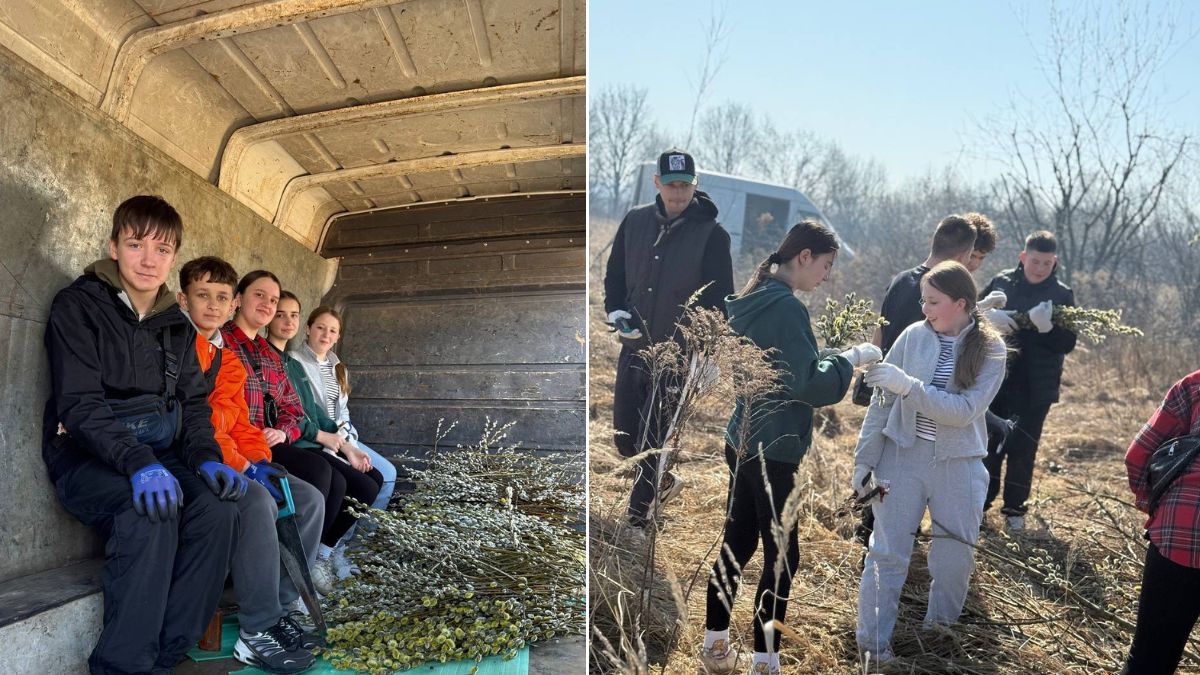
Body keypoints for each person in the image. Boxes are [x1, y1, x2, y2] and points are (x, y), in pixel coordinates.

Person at [41, 195, 245, 674]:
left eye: (163, 249)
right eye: (136, 245)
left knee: (218, 511)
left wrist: (205, 457)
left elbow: (193, 406)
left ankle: (166, 656)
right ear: (114, 247)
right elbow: (80, 406)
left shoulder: (176, 325)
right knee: (150, 510)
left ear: (174, 257)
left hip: (160, 455)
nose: (149, 260)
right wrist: (138, 463)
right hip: (87, 456)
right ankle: (122, 666)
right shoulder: (78, 306)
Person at [700, 221, 879, 675]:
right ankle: (766, 661)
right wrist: (848, 360)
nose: (825, 275)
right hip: (774, 448)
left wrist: (824, 358)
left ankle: (715, 647)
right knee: (783, 556)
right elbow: (806, 384)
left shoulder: (754, 298)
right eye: (825, 265)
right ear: (804, 256)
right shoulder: (787, 308)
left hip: (742, 437)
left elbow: (784, 366)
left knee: (737, 544)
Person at [853, 261, 1007, 667]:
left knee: (954, 558)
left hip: (959, 465)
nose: (925, 309)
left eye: (934, 301)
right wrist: (863, 460)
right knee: (886, 555)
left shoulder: (991, 349)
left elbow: (964, 411)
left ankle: (937, 636)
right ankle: (873, 648)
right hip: (900, 458)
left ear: (961, 303)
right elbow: (881, 404)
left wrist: (910, 386)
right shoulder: (912, 336)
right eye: (923, 300)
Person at [177, 256, 324, 671]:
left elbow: (239, 419)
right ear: (182, 299)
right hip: (199, 458)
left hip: (236, 454)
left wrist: (261, 460)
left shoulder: (225, 355)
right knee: (257, 500)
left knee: (308, 499)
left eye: (221, 298)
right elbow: (195, 426)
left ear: (230, 304)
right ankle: (256, 631)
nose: (212, 306)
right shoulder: (179, 345)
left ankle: (278, 608)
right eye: (203, 296)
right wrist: (243, 465)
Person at [221, 271, 382, 595]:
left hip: (275, 440)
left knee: (344, 478)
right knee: (321, 473)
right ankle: (289, 573)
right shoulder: (223, 341)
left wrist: (283, 430)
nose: (267, 304)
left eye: (273, 298)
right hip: (238, 441)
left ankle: (300, 571)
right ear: (239, 299)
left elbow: (293, 408)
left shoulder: (269, 355)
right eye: (259, 295)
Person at [603, 148, 735, 534]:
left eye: (685, 185)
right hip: (635, 347)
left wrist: (707, 356)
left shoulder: (712, 235)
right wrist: (615, 311)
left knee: (652, 441)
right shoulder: (635, 221)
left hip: (677, 356)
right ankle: (664, 484)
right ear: (657, 183)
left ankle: (637, 524)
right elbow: (615, 274)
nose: (678, 193)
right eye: (671, 184)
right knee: (626, 440)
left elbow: (718, 300)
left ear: (695, 186)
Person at [854, 215, 979, 546]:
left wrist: (868, 380)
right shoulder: (939, 296)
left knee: (883, 465)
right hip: (907, 399)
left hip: (887, 385)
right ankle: (876, 534)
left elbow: (880, 331)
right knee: (894, 475)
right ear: (964, 256)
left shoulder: (901, 280)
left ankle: (871, 531)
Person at [268, 296, 395, 581]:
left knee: (378, 478)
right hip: (310, 439)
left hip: (333, 435)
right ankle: (313, 560)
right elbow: (302, 414)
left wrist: (347, 442)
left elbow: (337, 412)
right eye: (321, 328)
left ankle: (334, 550)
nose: (326, 335)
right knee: (345, 479)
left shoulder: (337, 367)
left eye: (333, 330)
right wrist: (332, 442)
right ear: (309, 329)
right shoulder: (294, 362)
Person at [980, 231, 1077, 530]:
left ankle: (1014, 512)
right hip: (998, 382)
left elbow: (1069, 342)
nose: (1040, 268)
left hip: (1037, 388)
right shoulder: (1002, 282)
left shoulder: (1062, 295)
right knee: (988, 447)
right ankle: (979, 506)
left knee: (1023, 449)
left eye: (1047, 263)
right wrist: (986, 318)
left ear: (1054, 262)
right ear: (1023, 257)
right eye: (1035, 261)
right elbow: (970, 315)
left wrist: (1047, 328)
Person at [1122, 370, 1200, 674]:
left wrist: (1156, 509)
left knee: (1149, 660)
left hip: (1179, 531)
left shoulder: (1194, 385)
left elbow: (1138, 454)